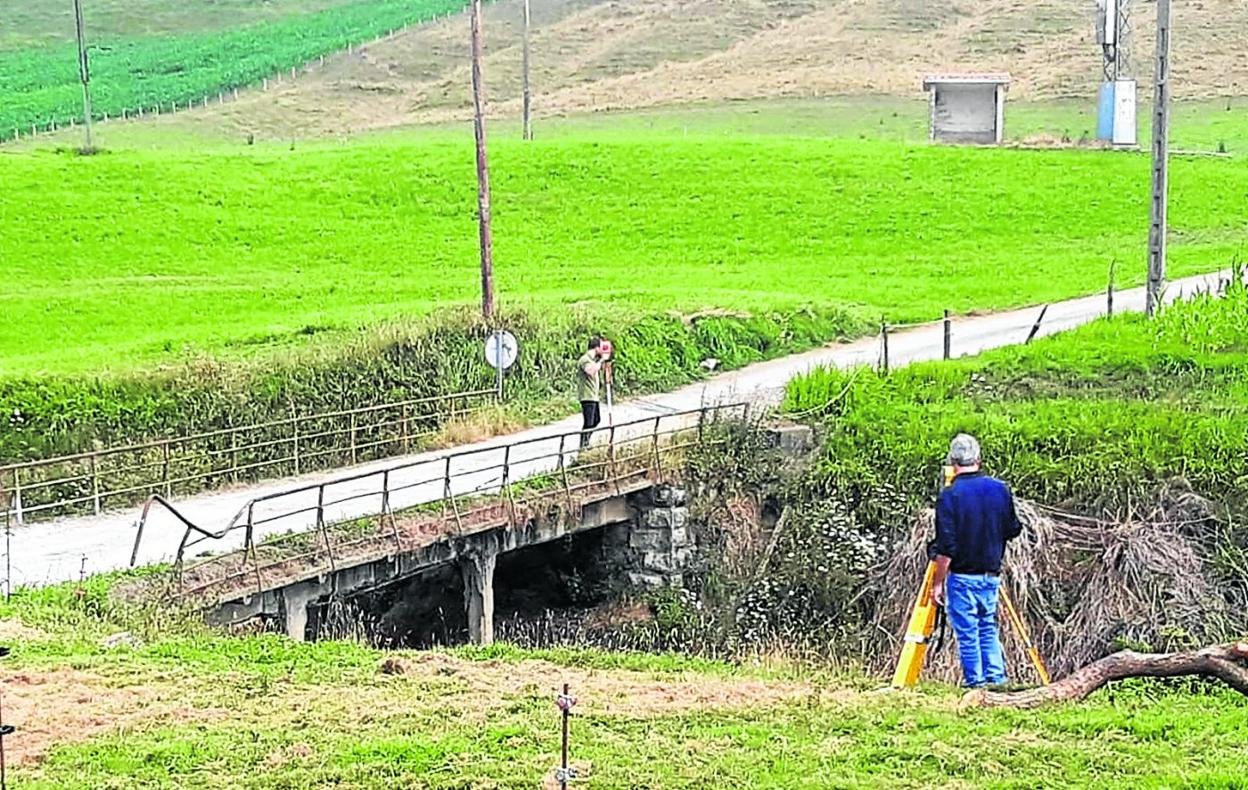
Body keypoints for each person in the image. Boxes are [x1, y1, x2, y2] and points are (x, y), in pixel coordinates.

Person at [930, 433, 1022, 688]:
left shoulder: (951, 495)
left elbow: (946, 546)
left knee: (969, 634)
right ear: (978, 459)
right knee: (987, 628)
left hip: (962, 577)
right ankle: (997, 681)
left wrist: (937, 583)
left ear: (953, 461)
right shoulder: (999, 489)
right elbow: (1013, 529)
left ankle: (977, 685)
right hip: (991, 575)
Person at [576, 336, 607, 448]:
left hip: (593, 396)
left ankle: (586, 442)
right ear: (596, 347)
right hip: (587, 396)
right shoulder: (585, 360)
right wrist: (601, 361)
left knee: (596, 420)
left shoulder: (592, 360)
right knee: (588, 422)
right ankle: (583, 445)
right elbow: (590, 371)